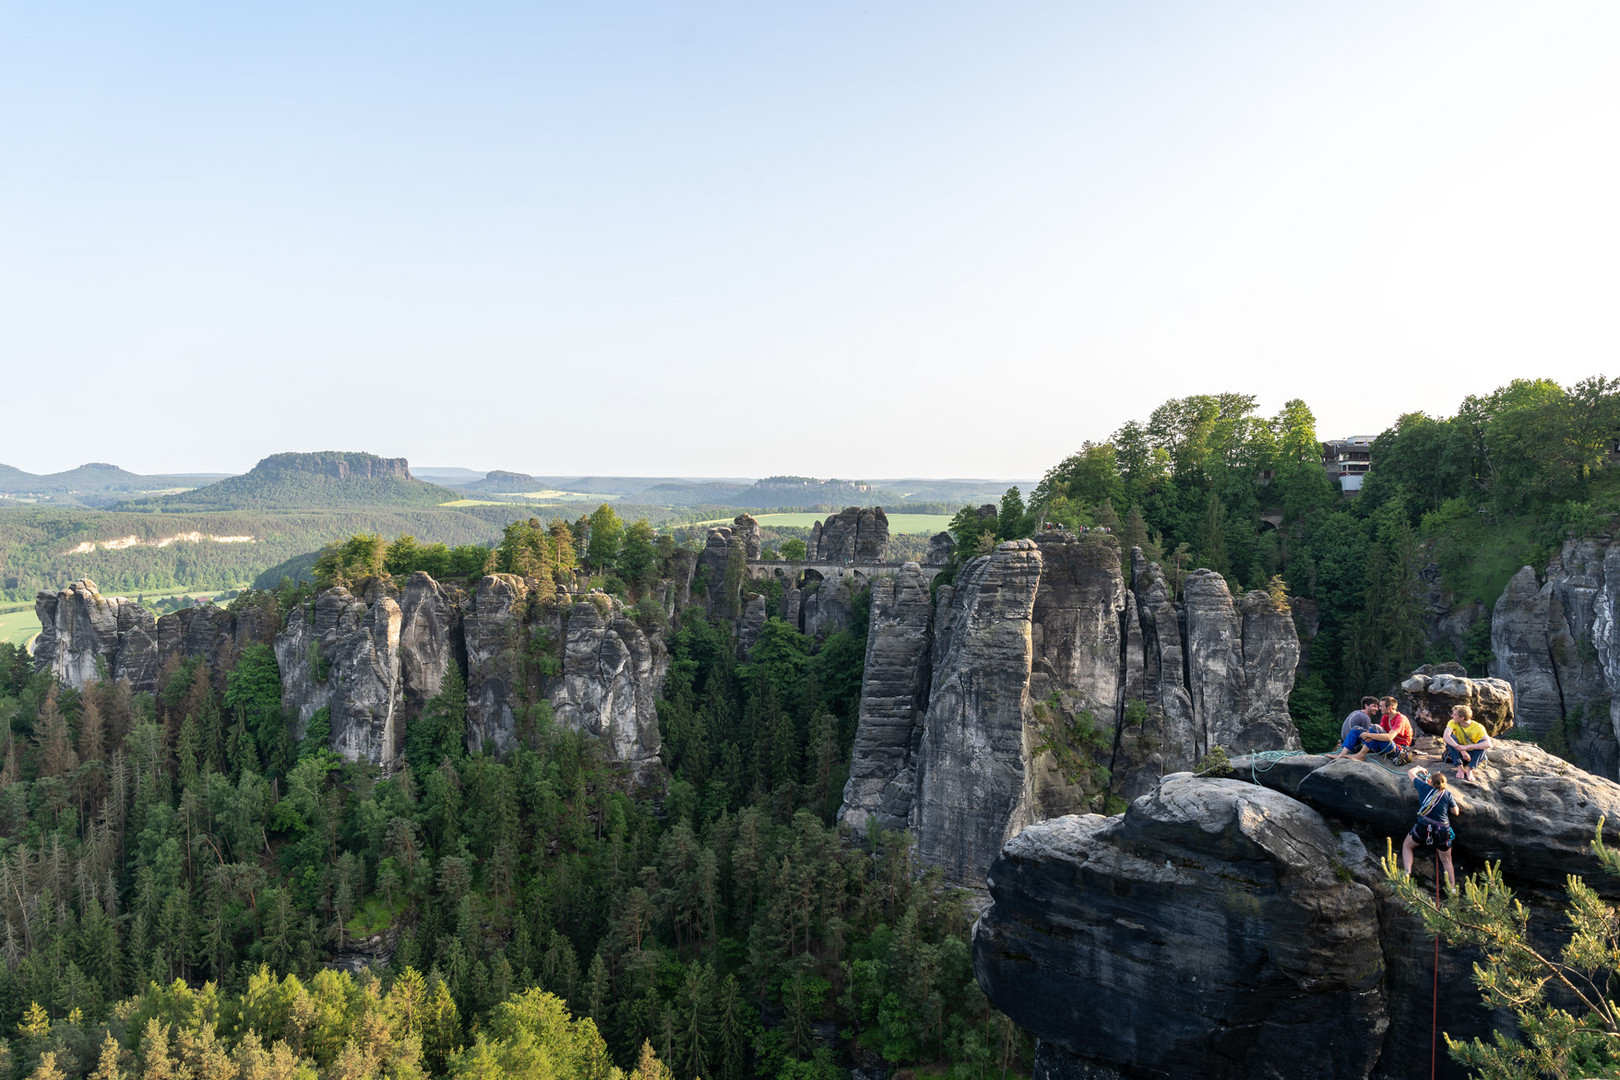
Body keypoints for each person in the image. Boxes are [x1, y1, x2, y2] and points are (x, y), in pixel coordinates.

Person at [1400, 765, 1461, 887]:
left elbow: (1410, 772)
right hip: (1443, 831)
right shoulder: (1447, 794)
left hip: (1423, 827)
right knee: (1447, 860)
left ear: (1431, 782)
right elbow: (1456, 812)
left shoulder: (1423, 787)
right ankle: (1453, 889)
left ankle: (1407, 873)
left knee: (1407, 846)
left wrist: (1419, 768)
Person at [1344, 696, 1413, 763]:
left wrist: (1369, 735)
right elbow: (1379, 732)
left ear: (1389, 707)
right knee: (1356, 729)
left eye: (1381, 706)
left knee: (1375, 727)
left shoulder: (1400, 719)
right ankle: (1341, 755)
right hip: (1384, 745)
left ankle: (1360, 755)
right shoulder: (1385, 717)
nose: (1379, 708)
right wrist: (1368, 735)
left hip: (1396, 749)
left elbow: (1389, 737)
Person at [1442, 704, 1493, 782]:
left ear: (1462, 718)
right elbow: (1446, 736)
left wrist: (1466, 747)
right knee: (1452, 738)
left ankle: (1469, 769)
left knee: (1482, 743)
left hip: (1472, 755)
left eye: (1455, 715)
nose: (1452, 716)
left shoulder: (1478, 727)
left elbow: (1488, 744)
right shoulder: (1452, 722)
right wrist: (1462, 750)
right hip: (1459, 753)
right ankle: (1460, 767)